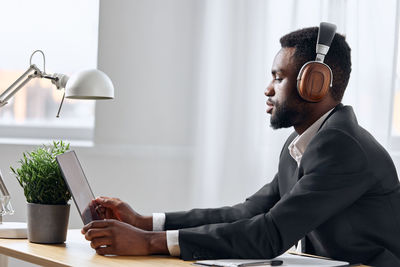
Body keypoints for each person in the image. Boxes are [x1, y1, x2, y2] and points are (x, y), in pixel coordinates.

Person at [81, 25, 400, 266]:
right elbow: (247, 212)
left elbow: (270, 234)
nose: (268, 89)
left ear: (313, 83)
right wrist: (144, 222)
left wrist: (150, 242)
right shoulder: (304, 141)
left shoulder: (341, 147)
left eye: (278, 77)